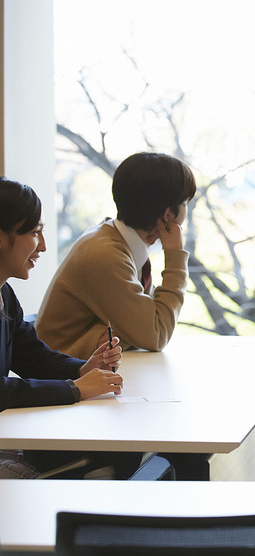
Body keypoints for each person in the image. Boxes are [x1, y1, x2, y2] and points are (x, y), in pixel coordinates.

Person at [0, 178, 135, 478]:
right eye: (35, 233)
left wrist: (82, 370)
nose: (44, 246)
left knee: (125, 452)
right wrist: (73, 390)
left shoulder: (5, 295)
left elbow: (34, 358)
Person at [36, 152, 196, 359]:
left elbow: (146, 326)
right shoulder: (106, 255)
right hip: (60, 380)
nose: (185, 211)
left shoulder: (118, 239)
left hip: (81, 372)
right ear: (167, 214)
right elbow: (157, 334)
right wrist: (175, 256)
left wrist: (124, 333)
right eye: (184, 202)